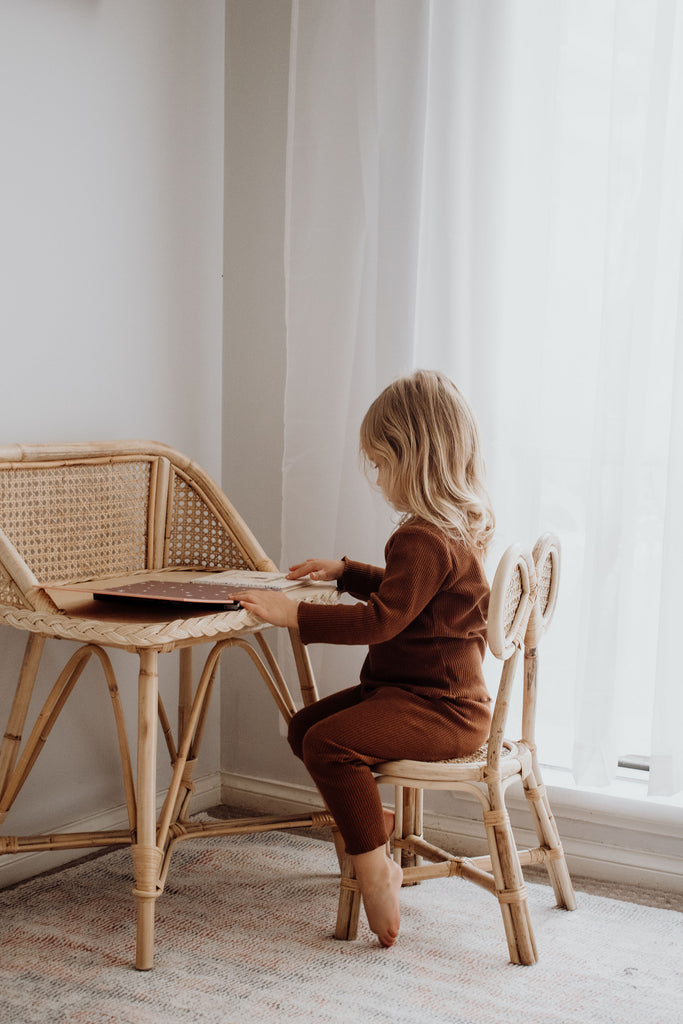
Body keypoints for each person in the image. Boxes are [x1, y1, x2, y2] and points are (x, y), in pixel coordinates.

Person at [235, 369, 495, 948]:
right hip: (421, 693)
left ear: (413, 457)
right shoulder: (452, 528)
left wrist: (292, 615)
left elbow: (384, 618)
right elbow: (412, 595)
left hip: (442, 709)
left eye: (380, 463)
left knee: (329, 744)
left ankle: (376, 866)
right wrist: (347, 572)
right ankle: (375, 825)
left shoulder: (422, 537)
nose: (376, 477)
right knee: (306, 727)